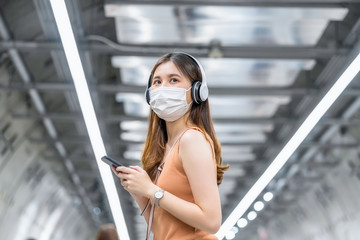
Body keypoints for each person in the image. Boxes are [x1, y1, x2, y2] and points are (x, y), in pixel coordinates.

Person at [112, 52, 229, 239]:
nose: (163, 87)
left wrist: (152, 190)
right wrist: (141, 194)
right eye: (157, 82)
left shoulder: (192, 139)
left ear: (197, 91)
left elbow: (211, 221)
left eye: (173, 80)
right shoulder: (164, 148)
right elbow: (162, 230)